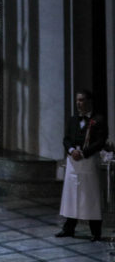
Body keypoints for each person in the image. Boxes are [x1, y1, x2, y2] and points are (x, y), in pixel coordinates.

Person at [56, 89, 107, 241]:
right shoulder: (73, 120)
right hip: (73, 161)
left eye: (82, 100)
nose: (79, 103)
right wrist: (72, 150)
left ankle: (95, 232)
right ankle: (69, 228)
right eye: (77, 100)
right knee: (71, 195)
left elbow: (100, 141)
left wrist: (84, 153)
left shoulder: (98, 120)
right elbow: (66, 139)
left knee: (90, 196)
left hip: (88, 160)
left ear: (89, 101)